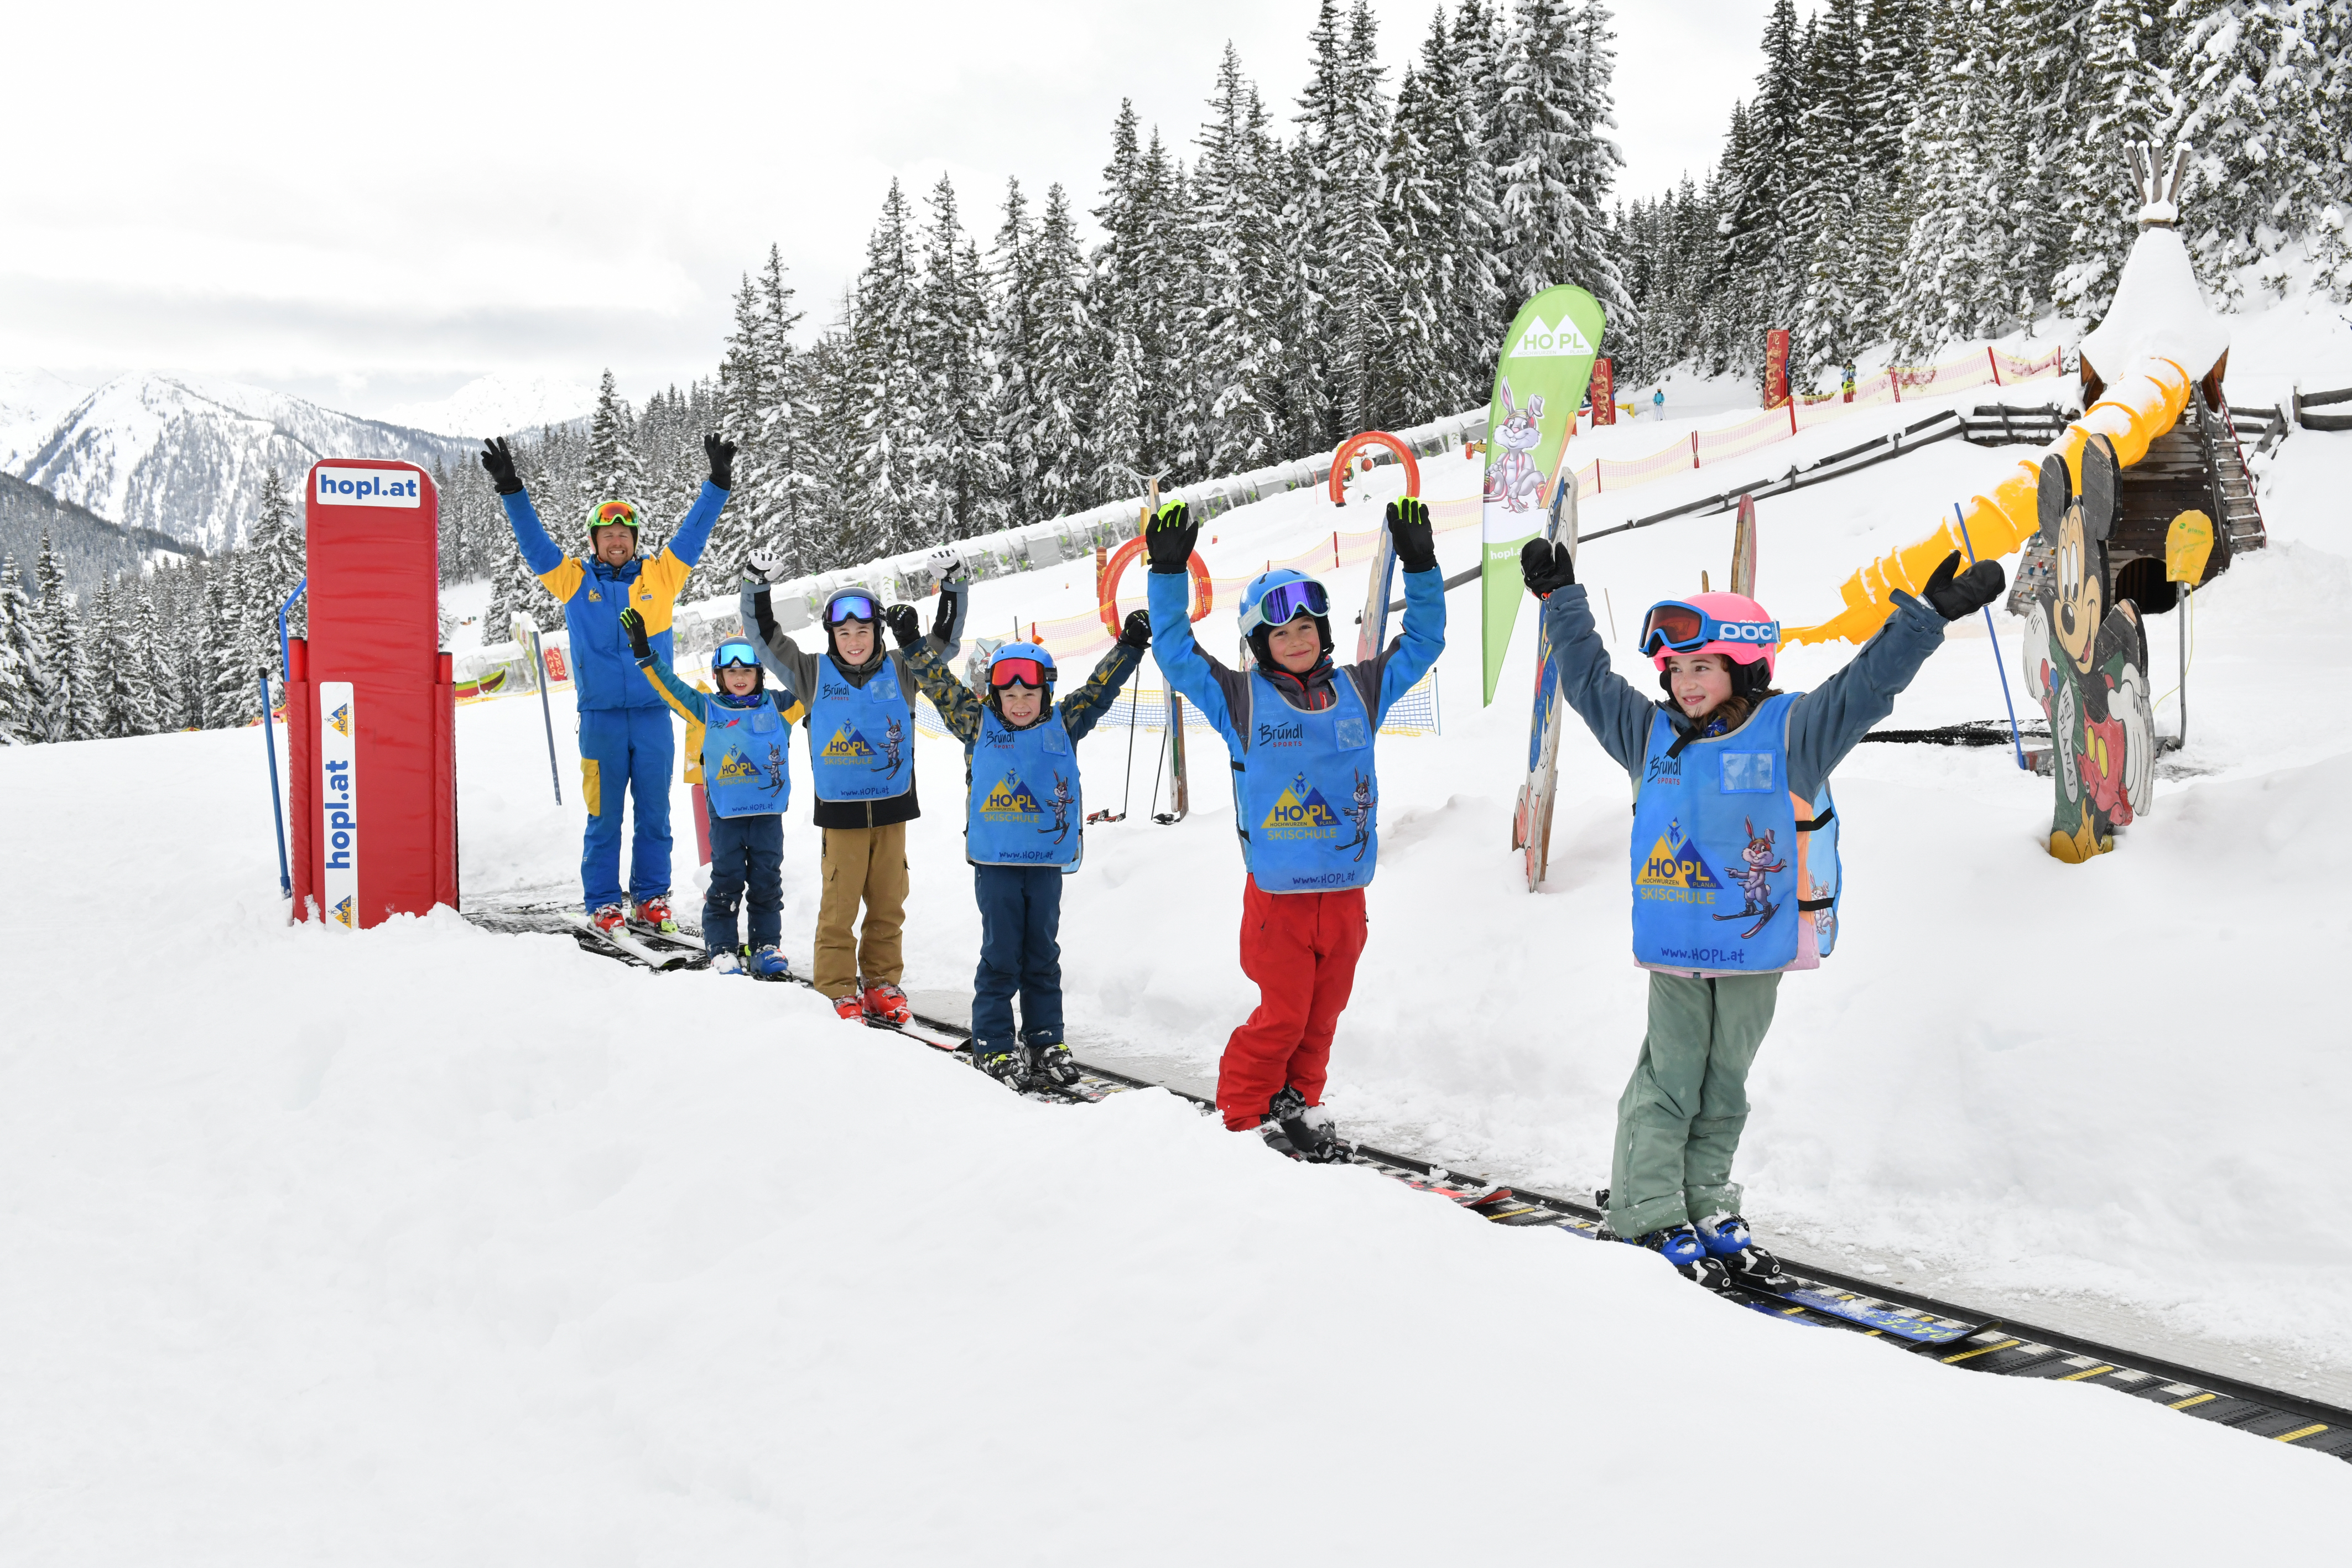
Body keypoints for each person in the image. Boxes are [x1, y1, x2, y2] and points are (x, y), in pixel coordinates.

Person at [1518, 537, 2004, 1288]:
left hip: (1755, 947)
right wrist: (1561, 602)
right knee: (1670, 1081)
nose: (1683, 682)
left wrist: (1925, 619)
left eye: (1701, 666)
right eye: (1675, 668)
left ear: (1745, 667)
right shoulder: (1647, 734)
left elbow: (1865, 686)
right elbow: (1585, 678)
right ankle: (1646, 1210)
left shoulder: (1793, 735)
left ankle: (1706, 1203)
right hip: (1678, 948)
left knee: (1724, 1086)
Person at [1143, 497, 1445, 1160]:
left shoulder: (1361, 691)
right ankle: (1244, 1116)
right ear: (1261, 647)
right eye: (1281, 634)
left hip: (1344, 896)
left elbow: (1423, 642)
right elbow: (1176, 653)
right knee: (1281, 1017)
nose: (1298, 640)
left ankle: (1298, 1103)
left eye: (1306, 627)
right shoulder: (1241, 700)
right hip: (1278, 902)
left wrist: (1420, 565)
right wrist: (1165, 576)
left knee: (1321, 1019)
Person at [480, 433, 734, 936]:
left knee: (655, 815)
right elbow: (535, 546)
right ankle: (602, 902)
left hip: (653, 715)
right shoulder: (574, 581)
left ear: (635, 540)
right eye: (608, 534)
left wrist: (718, 483)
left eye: (625, 534)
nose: (618, 541)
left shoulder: (662, 576)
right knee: (604, 816)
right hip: (600, 720)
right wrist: (512, 489)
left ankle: (651, 897)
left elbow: (694, 532)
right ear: (594, 541)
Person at [896, 613, 1151, 1087]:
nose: (1018, 703)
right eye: (1009, 695)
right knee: (1001, 955)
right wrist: (912, 642)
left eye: (1029, 694)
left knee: (1042, 954)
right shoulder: (976, 722)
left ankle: (1044, 1039)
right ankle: (993, 1043)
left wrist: (1130, 646)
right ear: (995, 695)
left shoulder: (1064, 722)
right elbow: (939, 684)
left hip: (1044, 863)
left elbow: (1099, 689)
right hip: (997, 864)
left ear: (1045, 693)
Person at [738, 548, 968, 1024]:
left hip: (892, 809)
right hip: (841, 816)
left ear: (877, 632)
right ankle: (837, 988)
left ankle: (882, 983)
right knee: (839, 909)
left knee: (888, 905)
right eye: (844, 633)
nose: (854, 640)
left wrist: (953, 584)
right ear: (832, 636)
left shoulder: (904, 669)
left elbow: (945, 641)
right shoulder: (810, 673)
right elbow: (764, 639)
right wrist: (755, 585)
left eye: (863, 631)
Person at [620, 608, 804, 978]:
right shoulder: (707, 709)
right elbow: (671, 688)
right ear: (719, 677)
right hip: (726, 816)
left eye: (747, 671)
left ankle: (765, 947)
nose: (740, 678)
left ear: (760, 674)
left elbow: (817, 684)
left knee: (767, 883)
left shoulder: (780, 706)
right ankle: (722, 950)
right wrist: (644, 653)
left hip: (767, 815)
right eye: (731, 672)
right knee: (726, 883)